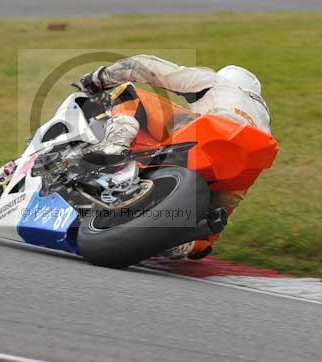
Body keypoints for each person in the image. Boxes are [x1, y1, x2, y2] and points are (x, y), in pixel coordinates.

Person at [79, 54, 272, 260]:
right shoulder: (263, 124)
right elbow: (231, 200)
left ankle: (115, 145)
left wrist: (101, 77)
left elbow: (148, 67)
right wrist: (206, 242)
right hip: (246, 163)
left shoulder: (218, 82)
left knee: (128, 92)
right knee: (219, 210)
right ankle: (193, 243)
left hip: (212, 132)